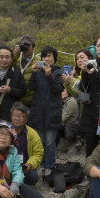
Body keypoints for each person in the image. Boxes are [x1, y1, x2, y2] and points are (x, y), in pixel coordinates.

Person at [28, 46, 64, 174]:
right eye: (44, 56)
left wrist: (49, 76)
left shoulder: (58, 72)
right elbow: (31, 87)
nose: (46, 58)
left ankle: (50, 166)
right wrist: (33, 72)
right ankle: (42, 164)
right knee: (40, 142)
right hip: (39, 112)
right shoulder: (38, 72)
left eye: (49, 56)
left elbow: (58, 88)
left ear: (54, 58)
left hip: (52, 112)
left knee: (50, 143)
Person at [0, 46, 27, 122]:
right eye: (1, 57)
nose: (4, 60)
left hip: (12, 114)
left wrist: (10, 90)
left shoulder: (17, 74)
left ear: (11, 59)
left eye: (7, 57)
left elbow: (23, 92)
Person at [9, 102, 44, 186]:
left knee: (33, 177)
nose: (17, 118)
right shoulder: (3, 131)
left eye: (21, 116)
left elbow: (38, 153)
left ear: (26, 119)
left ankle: (23, 189)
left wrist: (30, 164)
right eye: (15, 115)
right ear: (11, 117)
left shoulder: (32, 133)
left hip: (24, 167)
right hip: (7, 167)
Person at [12, 34, 37, 107]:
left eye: (28, 46)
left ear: (33, 47)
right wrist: (15, 55)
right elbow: (9, 70)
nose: (25, 48)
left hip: (33, 101)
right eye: (23, 45)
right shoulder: (16, 59)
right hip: (18, 99)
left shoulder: (38, 61)